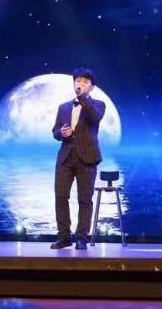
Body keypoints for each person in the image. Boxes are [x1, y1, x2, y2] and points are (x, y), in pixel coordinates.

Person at [50, 68, 106, 250]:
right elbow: (55, 131)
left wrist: (83, 98)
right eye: (78, 81)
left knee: (84, 199)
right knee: (60, 197)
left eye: (85, 82)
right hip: (65, 157)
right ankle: (64, 237)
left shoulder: (98, 104)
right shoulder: (64, 107)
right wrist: (61, 132)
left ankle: (81, 237)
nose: (80, 84)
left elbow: (95, 118)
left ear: (92, 87)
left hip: (87, 157)